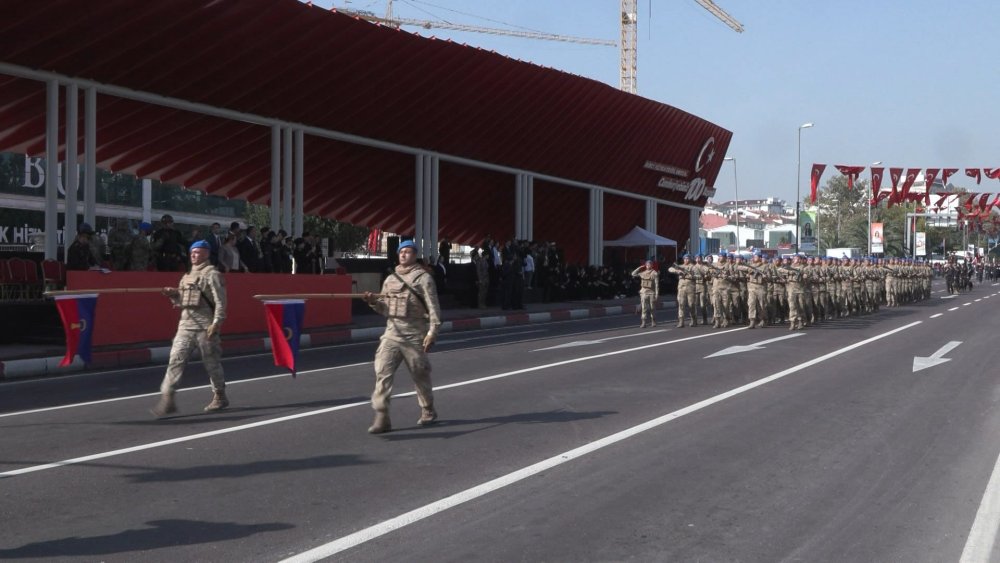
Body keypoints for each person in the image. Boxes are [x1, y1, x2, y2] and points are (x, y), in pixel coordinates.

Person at [363, 239, 442, 434]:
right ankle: (382, 416)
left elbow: (433, 308)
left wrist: (433, 332)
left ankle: (428, 410)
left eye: (408, 252)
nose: (404, 255)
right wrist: (373, 302)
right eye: (401, 252)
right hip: (392, 332)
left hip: (415, 334)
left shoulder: (423, 278)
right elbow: (384, 309)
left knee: (419, 373)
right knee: (382, 372)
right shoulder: (390, 279)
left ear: (415, 255)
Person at [151, 240, 228, 417]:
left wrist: (217, 322)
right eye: (192, 252)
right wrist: (173, 295)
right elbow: (182, 302)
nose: (193, 255)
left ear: (206, 254)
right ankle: (168, 398)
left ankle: (220, 395)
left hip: (205, 325)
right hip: (185, 325)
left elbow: (220, 301)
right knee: (175, 360)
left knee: (211, 363)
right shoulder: (186, 276)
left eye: (198, 252)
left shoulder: (213, 274)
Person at [631, 259, 659, 328]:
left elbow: (656, 285)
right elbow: (633, 274)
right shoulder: (643, 273)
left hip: (651, 293)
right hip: (643, 292)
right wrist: (640, 267)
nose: (648, 266)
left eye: (649, 264)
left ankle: (653, 321)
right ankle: (643, 322)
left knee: (652, 308)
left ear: (652, 265)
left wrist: (656, 294)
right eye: (647, 265)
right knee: (644, 308)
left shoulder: (654, 273)